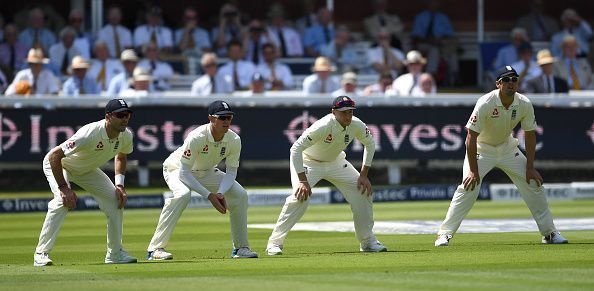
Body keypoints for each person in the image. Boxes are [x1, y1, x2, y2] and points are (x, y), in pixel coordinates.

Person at [434, 66, 569, 247]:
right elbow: (470, 137)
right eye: (506, 80)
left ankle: (549, 233)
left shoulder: (524, 103)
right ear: (498, 84)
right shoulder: (486, 102)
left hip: (507, 148)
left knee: (533, 184)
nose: (510, 83)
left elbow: (530, 135)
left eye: (514, 79)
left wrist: (530, 168)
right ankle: (444, 234)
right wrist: (473, 171)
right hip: (482, 149)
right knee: (468, 187)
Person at [266, 96, 387, 255]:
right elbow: (295, 149)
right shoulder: (323, 125)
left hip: (336, 161)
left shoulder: (356, 124)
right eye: (344, 112)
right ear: (333, 112)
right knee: (300, 197)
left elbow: (370, 144)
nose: (348, 116)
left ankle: (368, 241)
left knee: (362, 191)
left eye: (350, 112)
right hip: (309, 162)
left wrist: (363, 174)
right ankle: (274, 244)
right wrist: (303, 180)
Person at [147, 100, 258, 260]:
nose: (226, 121)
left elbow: (231, 172)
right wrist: (210, 196)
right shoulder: (197, 137)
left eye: (229, 118)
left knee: (240, 195)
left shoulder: (234, 140)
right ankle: (155, 249)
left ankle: (241, 248)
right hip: (177, 168)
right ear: (211, 119)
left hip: (205, 172)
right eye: (222, 118)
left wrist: (220, 193)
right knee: (183, 195)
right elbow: (184, 173)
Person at [33, 99, 137, 266]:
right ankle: (41, 253)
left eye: (127, 115)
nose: (125, 118)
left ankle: (115, 254)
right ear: (108, 117)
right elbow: (55, 156)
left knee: (116, 200)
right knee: (61, 201)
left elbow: (122, 156)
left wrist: (120, 185)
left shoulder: (126, 135)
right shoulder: (91, 132)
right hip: (61, 165)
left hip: (87, 169)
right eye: (120, 115)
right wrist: (63, 188)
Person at [410, 0, 459, 84]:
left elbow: (450, 34)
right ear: (427, 3)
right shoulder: (421, 17)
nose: (434, 4)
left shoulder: (443, 17)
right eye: (432, 2)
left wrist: (440, 40)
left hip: (442, 44)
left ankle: (454, 76)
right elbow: (416, 36)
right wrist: (430, 41)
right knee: (434, 50)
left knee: (452, 53)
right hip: (424, 44)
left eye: (436, 2)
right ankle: (430, 77)